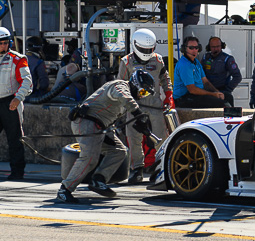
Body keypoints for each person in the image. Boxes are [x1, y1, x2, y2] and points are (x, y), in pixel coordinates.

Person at [56, 70, 156, 203]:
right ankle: (65, 190)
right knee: (89, 158)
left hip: (102, 126)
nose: (142, 96)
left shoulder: (124, 95)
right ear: (135, 84)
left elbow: (113, 116)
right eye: (143, 92)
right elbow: (125, 98)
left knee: (119, 151)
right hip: (87, 121)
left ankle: (99, 179)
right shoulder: (119, 86)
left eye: (146, 94)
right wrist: (138, 113)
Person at [117, 29, 174, 184]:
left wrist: (169, 95)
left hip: (155, 105)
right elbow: (119, 86)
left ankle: (161, 167)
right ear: (135, 45)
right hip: (134, 107)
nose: (147, 52)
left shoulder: (158, 60)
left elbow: (165, 78)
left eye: (150, 49)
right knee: (133, 138)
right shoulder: (126, 62)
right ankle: (137, 169)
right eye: (144, 49)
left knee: (160, 137)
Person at [0, 27, 32, 181]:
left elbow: (27, 81)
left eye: (5, 43)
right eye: (0, 43)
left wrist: (18, 98)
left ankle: (17, 172)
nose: (3, 46)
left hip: (11, 102)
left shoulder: (18, 59)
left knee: (15, 139)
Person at [173, 36, 226, 108]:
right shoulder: (184, 65)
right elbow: (192, 89)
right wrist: (213, 94)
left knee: (227, 97)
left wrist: (217, 92)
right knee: (217, 102)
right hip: (183, 98)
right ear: (185, 49)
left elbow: (205, 81)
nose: (194, 50)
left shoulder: (196, 62)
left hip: (195, 95)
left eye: (196, 48)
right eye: (191, 48)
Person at [201, 37, 242, 107]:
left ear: (222, 46)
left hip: (222, 93)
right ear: (209, 47)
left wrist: (227, 90)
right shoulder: (205, 57)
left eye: (218, 46)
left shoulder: (227, 59)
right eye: (213, 47)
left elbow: (237, 77)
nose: (216, 49)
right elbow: (201, 75)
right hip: (209, 93)